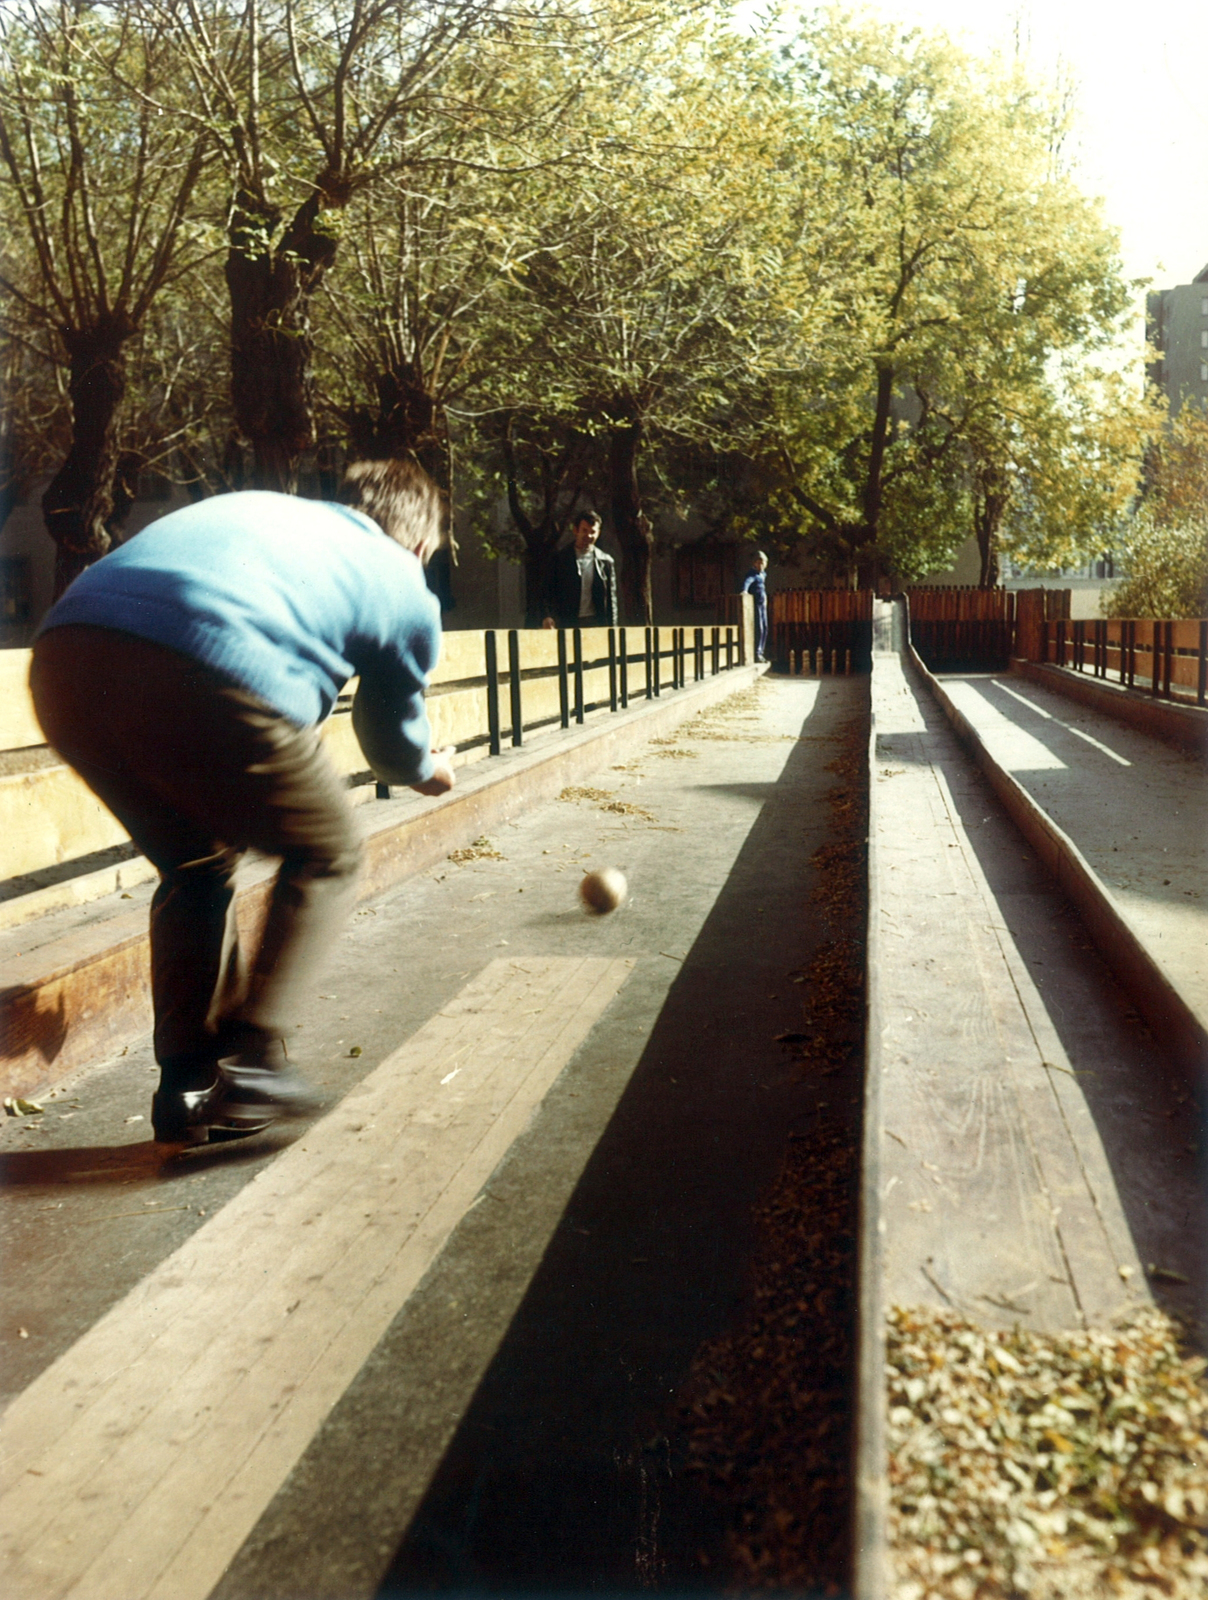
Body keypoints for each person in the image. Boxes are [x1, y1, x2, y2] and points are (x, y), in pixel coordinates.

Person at [29, 458, 454, 1146]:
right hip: (205, 657)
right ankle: (255, 1064)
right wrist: (430, 771)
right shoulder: (399, 575)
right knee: (332, 851)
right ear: (419, 546)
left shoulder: (272, 512)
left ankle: (187, 1088)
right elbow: (390, 746)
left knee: (195, 865)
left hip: (64, 658)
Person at [542, 511, 619, 629]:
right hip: (568, 621)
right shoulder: (560, 559)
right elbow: (548, 591)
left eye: (593, 532)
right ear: (575, 530)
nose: (588, 536)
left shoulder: (606, 561)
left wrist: (613, 627)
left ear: (598, 533)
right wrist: (547, 616)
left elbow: (611, 599)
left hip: (596, 622)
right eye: (584, 530)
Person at [741, 550, 769, 663]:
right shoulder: (752, 574)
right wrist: (745, 590)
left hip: (763, 604)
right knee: (760, 628)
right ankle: (757, 653)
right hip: (757, 604)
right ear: (755, 563)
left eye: (763, 563)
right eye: (759, 563)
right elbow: (748, 582)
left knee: (765, 628)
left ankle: (761, 651)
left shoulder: (763, 574)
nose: (761, 565)